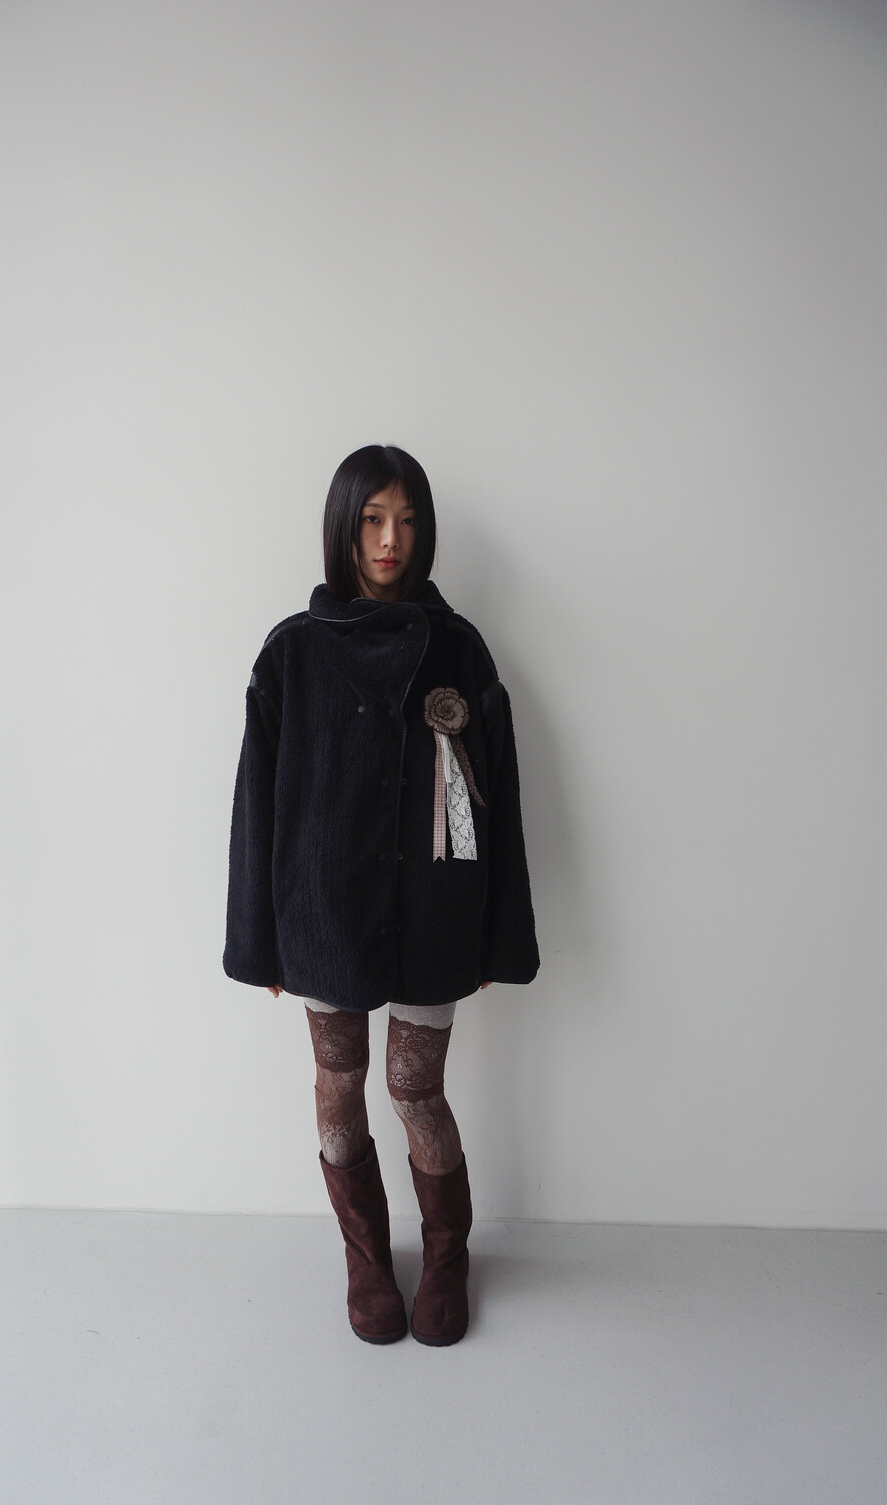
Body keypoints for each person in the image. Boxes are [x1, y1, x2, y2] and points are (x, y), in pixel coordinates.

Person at [224, 444, 539, 1346]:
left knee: (415, 1088)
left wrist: (498, 935)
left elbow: (497, 800)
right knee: (338, 1083)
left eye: (405, 519)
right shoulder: (291, 651)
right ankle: (366, 1259)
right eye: (372, 519)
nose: (389, 539)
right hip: (322, 914)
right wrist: (258, 939)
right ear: (344, 526)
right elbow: (255, 804)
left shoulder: (459, 648)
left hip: (434, 916)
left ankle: (446, 1257)